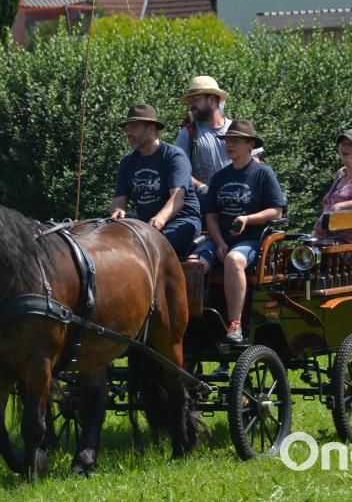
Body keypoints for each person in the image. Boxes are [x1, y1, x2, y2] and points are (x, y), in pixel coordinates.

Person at [190, 120, 286, 343]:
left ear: (250, 145)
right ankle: (190, 322)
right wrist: (219, 242)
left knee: (233, 259)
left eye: (235, 141)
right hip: (218, 240)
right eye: (227, 141)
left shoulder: (263, 174)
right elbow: (211, 216)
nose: (229, 145)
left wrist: (248, 219)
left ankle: (235, 324)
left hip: (252, 241)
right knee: (193, 265)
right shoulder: (220, 177)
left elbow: (276, 211)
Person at [109, 103, 202, 256]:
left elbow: (178, 197)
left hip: (181, 222)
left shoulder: (174, 157)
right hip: (146, 225)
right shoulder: (127, 162)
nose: (128, 133)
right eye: (126, 129)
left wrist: (160, 219)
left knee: (151, 248)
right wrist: (118, 211)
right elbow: (119, 200)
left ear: (151, 129)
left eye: (134, 127)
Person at [174, 75, 263, 198]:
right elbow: (180, 170)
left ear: (211, 99)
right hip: (204, 204)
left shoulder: (237, 129)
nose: (191, 105)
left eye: (195, 99)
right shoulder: (188, 132)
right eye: (189, 102)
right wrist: (201, 187)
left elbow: (255, 164)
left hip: (239, 199)